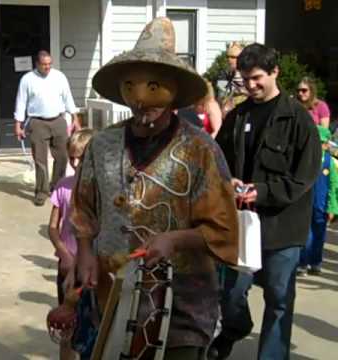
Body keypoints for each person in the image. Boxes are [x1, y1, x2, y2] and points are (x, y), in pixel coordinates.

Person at [71, 18, 239, 360]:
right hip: (112, 297)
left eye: (153, 86)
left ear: (175, 88)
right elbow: (84, 207)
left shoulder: (200, 150)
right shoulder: (101, 145)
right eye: (131, 86)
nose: (140, 99)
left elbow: (224, 229)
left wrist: (176, 239)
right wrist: (85, 251)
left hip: (180, 307)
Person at [211, 43, 322, 360]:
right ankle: (235, 328)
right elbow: (217, 160)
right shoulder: (238, 115)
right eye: (245, 79)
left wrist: (264, 191)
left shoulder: (299, 121)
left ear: (275, 72)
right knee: (229, 293)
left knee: (279, 300)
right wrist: (226, 180)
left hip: (282, 229)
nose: (250, 85)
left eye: (257, 78)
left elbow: (304, 177)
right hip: (241, 226)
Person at [48, 128, 95, 360]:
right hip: (66, 265)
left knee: (90, 322)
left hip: (91, 268)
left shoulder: (98, 191)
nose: (75, 163)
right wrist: (64, 254)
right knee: (65, 323)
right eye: (72, 157)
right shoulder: (63, 186)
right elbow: (53, 227)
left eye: (81, 157)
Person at [14, 50, 81, 206]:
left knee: (63, 157)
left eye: (49, 64)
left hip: (58, 120)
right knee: (40, 160)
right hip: (37, 123)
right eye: (44, 65)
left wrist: (75, 119)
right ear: (37, 64)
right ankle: (41, 192)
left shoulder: (59, 77)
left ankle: (56, 187)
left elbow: (68, 98)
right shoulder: (27, 80)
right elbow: (21, 102)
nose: (47, 67)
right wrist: (18, 125)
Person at [298, 125, 338, 276]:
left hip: (321, 206)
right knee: (306, 235)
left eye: (322, 142)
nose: (320, 145)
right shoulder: (305, 159)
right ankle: (302, 263)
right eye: (317, 141)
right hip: (306, 204)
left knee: (319, 234)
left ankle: (316, 262)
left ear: (327, 144)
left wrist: (332, 208)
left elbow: (334, 186)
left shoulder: (330, 162)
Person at [216, 42, 248, 117]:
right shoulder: (224, 74)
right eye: (228, 57)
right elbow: (222, 94)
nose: (229, 60)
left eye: (233, 57)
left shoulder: (247, 73)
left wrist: (242, 91)